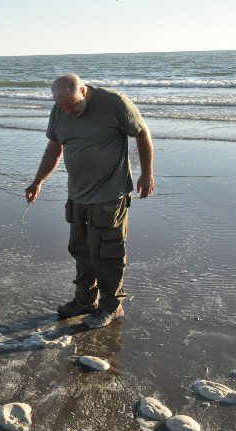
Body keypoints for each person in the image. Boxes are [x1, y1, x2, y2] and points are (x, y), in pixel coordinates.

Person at [25, 73, 155, 329]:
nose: (69, 113)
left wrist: (147, 173)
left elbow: (142, 133)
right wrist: (38, 181)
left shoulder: (114, 103)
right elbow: (55, 147)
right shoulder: (60, 110)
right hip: (77, 194)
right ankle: (85, 301)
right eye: (63, 108)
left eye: (73, 106)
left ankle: (111, 306)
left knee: (108, 253)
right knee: (81, 250)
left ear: (83, 91)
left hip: (110, 194)